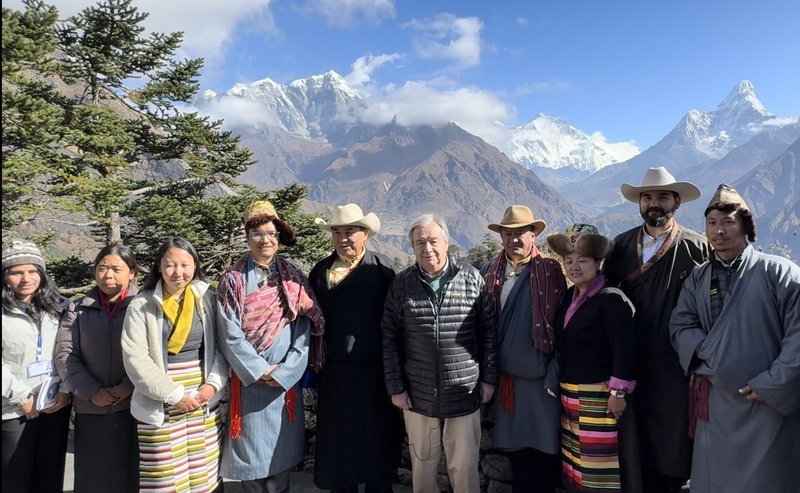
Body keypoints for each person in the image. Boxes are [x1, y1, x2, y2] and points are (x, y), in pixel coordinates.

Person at [669, 184, 800, 493]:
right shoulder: (698, 279)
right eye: (712, 222)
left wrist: (771, 382)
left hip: (767, 403)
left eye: (728, 221)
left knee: (768, 480)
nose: (719, 231)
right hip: (715, 404)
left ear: (746, 225)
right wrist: (717, 357)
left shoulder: (780, 274)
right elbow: (680, 326)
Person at [602, 166, 709, 493]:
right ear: (639, 203)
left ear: (676, 201)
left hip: (675, 368)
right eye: (647, 197)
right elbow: (606, 300)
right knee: (634, 446)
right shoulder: (620, 247)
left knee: (673, 447)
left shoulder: (696, 248)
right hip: (629, 365)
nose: (654, 203)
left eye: (663, 197)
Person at [383, 213, 498, 493]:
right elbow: (389, 337)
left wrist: (489, 378)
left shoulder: (471, 278)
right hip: (418, 394)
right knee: (422, 468)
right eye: (419, 242)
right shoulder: (402, 284)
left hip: (463, 391)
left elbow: (489, 333)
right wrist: (396, 387)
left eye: (433, 241)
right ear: (412, 247)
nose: (427, 248)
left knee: (465, 468)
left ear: (447, 243)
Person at [216, 200, 325, 493]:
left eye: (271, 233)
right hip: (250, 382)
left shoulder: (293, 276)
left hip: (283, 384)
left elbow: (304, 326)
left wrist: (285, 371)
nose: (265, 240)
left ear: (279, 238)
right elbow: (229, 332)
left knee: (281, 455)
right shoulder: (233, 279)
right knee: (252, 459)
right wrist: (260, 370)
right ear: (247, 237)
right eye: (258, 233)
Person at [121, 237, 227, 492]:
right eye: (170, 265)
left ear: (195, 266)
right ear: (159, 266)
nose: (178, 272)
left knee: (204, 476)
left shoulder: (207, 299)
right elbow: (135, 358)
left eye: (185, 265)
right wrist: (174, 394)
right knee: (165, 477)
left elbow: (222, 348)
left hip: (202, 400)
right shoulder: (142, 305)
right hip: (160, 398)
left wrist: (212, 385)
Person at [309, 203, 403, 493]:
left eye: (350, 231)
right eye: (337, 232)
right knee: (340, 447)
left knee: (377, 443)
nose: (343, 238)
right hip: (334, 375)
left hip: (375, 374)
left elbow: (398, 321)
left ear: (365, 234)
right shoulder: (320, 271)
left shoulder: (382, 269)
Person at [481, 205, 565, 493]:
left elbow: (563, 324)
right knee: (517, 459)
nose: (513, 240)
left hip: (542, 381)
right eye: (508, 234)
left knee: (544, 453)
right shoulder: (490, 272)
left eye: (520, 234)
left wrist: (555, 374)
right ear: (501, 236)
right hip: (507, 381)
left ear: (533, 235)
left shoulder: (550, 270)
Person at [548, 226, 638, 493]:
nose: (574, 267)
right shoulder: (568, 296)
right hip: (570, 392)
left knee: (597, 465)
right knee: (575, 460)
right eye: (569, 260)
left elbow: (625, 348)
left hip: (598, 395)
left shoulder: (611, 299)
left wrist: (618, 393)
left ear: (598, 263)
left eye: (583, 260)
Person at [55, 243, 139, 493]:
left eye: (116, 269)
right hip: (91, 408)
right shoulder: (77, 309)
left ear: (132, 273)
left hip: (136, 407)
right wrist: (92, 391)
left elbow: (155, 354)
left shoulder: (143, 305)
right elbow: (65, 355)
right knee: (94, 479)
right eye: (102, 268)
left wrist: (127, 386)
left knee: (133, 476)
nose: (108, 275)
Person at [1, 239, 71, 493]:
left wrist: (65, 390)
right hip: (12, 410)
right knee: (15, 481)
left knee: (50, 478)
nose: (26, 278)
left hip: (54, 405)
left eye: (32, 271)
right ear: (5, 276)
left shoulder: (58, 307)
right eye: (16, 272)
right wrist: (22, 398)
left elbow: (68, 351)